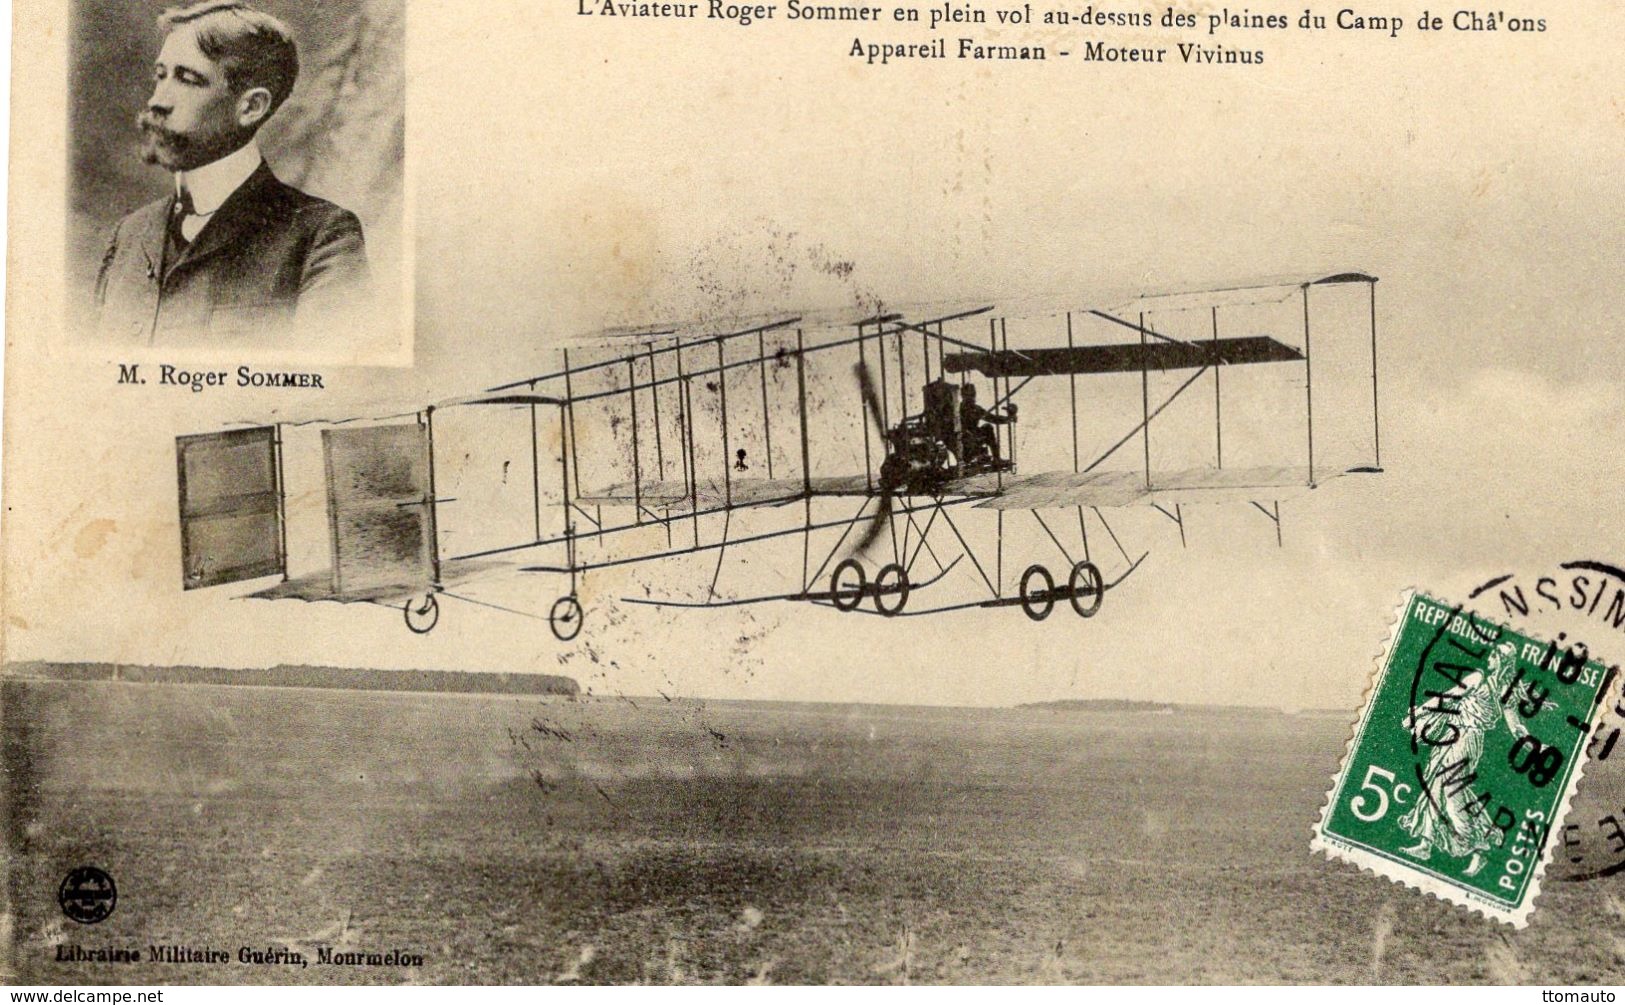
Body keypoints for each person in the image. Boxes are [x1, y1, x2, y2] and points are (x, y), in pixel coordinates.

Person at [94, 1, 368, 345]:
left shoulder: (321, 238)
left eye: (187, 79)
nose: (156, 101)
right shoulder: (130, 235)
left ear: (251, 107)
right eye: (160, 76)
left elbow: (329, 382)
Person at [1396, 640, 1530, 876]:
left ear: (1501, 660)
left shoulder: (1494, 686)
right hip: (1454, 734)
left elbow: (1515, 725)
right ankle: (1426, 844)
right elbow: (1447, 697)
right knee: (1435, 785)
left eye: (1494, 655)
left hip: (1467, 740)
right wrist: (1421, 712)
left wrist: (1528, 741)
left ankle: (1477, 845)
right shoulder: (1484, 681)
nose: (1489, 658)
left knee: (1453, 793)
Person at [959, 383, 1015, 466]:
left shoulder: (976, 409)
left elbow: (993, 418)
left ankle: (996, 458)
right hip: (963, 440)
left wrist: (1008, 419)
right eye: (968, 395)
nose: (971, 397)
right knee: (968, 435)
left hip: (975, 436)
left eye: (973, 394)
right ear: (963, 395)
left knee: (987, 427)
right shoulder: (958, 409)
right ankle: (978, 456)